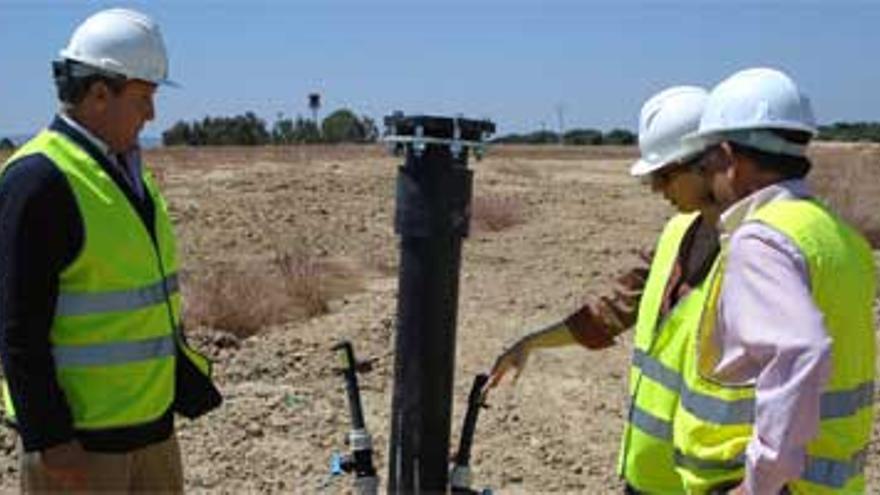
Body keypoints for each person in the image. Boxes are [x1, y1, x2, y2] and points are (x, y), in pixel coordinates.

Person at [0, 8, 221, 493]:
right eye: (144, 97)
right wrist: (50, 438)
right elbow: (17, 328)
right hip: (81, 448)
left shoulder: (127, 173)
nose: (152, 115)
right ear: (100, 94)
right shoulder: (38, 181)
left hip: (151, 432)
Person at [483, 86, 722, 495]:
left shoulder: (756, 253)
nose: (655, 189)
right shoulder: (678, 233)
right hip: (652, 478)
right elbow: (610, 313)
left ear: (711, 163)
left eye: (664, 175)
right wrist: (531, 343)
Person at [671, 67, 876, 494]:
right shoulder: (836, 235)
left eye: (707, 164)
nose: (708, 178)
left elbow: (802, 350)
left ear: (728, 157)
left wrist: (759, 482)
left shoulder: (762, 239)